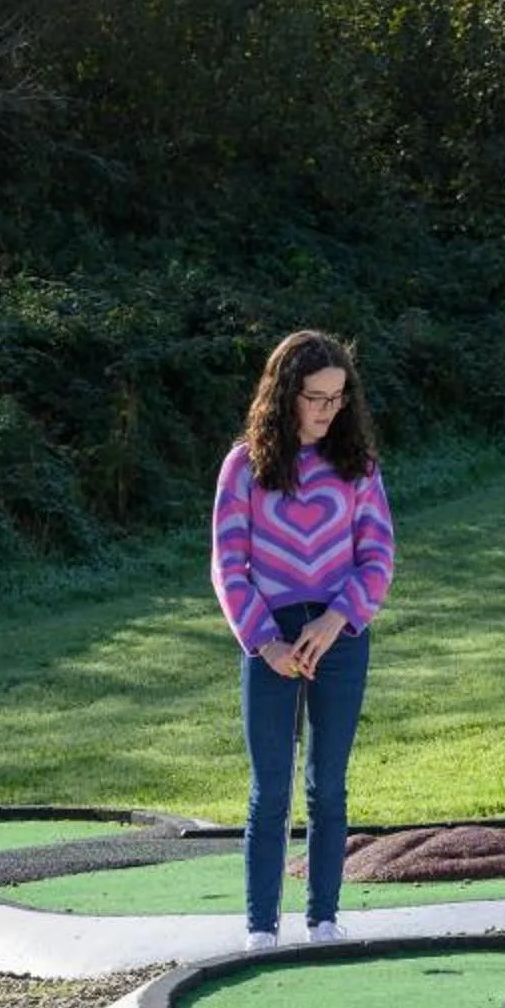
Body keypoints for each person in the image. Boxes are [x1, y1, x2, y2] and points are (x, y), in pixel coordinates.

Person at [212, 330, 396, 950]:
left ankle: (323, 921)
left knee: (328, 785)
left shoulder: (359, 467)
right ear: (285, 394)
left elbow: (377, 558)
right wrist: (265, 641)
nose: (327, 409)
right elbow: (228, 564)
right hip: (269, 642)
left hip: (339, 639)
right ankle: (261, 929)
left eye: (338, 398)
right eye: (315, 397)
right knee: (270, 789)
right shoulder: (245, 467)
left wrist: (335, 620)